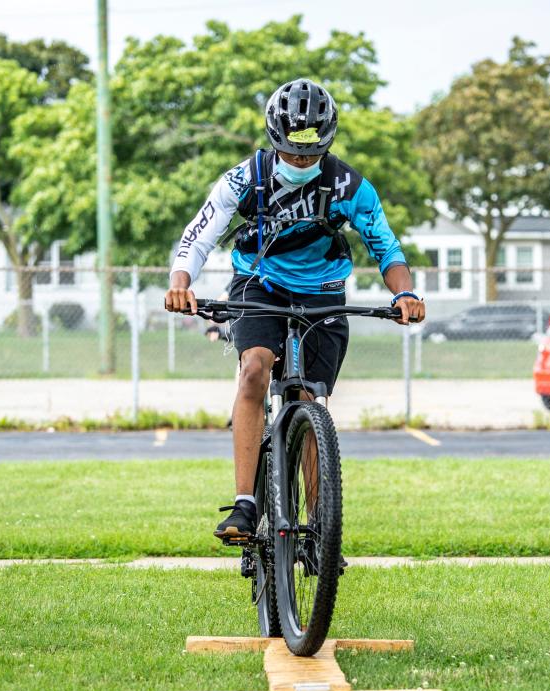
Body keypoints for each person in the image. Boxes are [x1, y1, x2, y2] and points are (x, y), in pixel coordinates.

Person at [164, 78, 425, 540]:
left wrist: (403, 293)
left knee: (309, 400)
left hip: (322, 291)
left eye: (310, 151)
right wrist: (181, 283)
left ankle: (323, 529)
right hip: (258, 285)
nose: (301, 160)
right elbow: (199, 236)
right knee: (255, 370)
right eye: (291, 151)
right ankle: (245, 505)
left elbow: (387, 248)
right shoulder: (245, 178)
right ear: (274, 138)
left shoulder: (351, 186)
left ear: (327, 139)